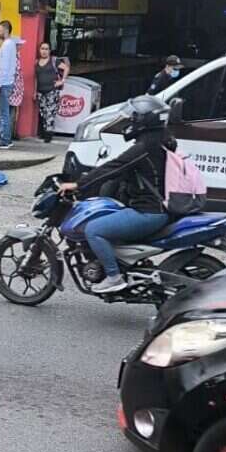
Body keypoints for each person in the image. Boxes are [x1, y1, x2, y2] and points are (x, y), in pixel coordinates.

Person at [58, 95, 172, 294]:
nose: (130, 122)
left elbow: (113, 167)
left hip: (148, 212)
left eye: (133, 118)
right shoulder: (161, 141)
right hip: (156, 208)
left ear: (144, 121)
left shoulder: (144, 148)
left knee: (93, 230)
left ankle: (113, 277)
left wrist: (78, 184)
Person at [0, 20, 21, 149]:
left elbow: (3, 66)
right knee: (4, 112)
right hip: (7, 82)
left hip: (4, 83)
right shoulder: (10, 44)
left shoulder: (7, 45)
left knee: (3, 113)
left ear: (5, 30)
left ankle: (5, 140)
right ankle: (4, 138)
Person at [35, 41, 70, 143]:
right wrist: (34, 91)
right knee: (43, 113)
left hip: (52, 91)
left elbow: (66, 68)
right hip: (40, 92)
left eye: (46, 49)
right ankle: (44, 132)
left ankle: (48, 135)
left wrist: (62, 81)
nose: (44, 51)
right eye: (42, 49)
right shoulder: (36, 62)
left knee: (50, 113)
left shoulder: (54, 60)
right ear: (39, 50)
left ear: (49, 51)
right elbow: (35, 78)